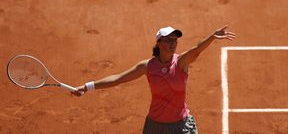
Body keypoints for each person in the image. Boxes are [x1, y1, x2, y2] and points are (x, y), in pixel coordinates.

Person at [72, 26, 236, 134]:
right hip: (154, 126)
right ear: (158, 43)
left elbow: (197, 50)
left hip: (180, 126)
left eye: (175, 40)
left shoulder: (181, 62)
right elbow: (118, 79)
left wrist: (211, 38)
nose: (173, 43)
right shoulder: (147, 66)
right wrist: (87, 86)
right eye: (168, 40)